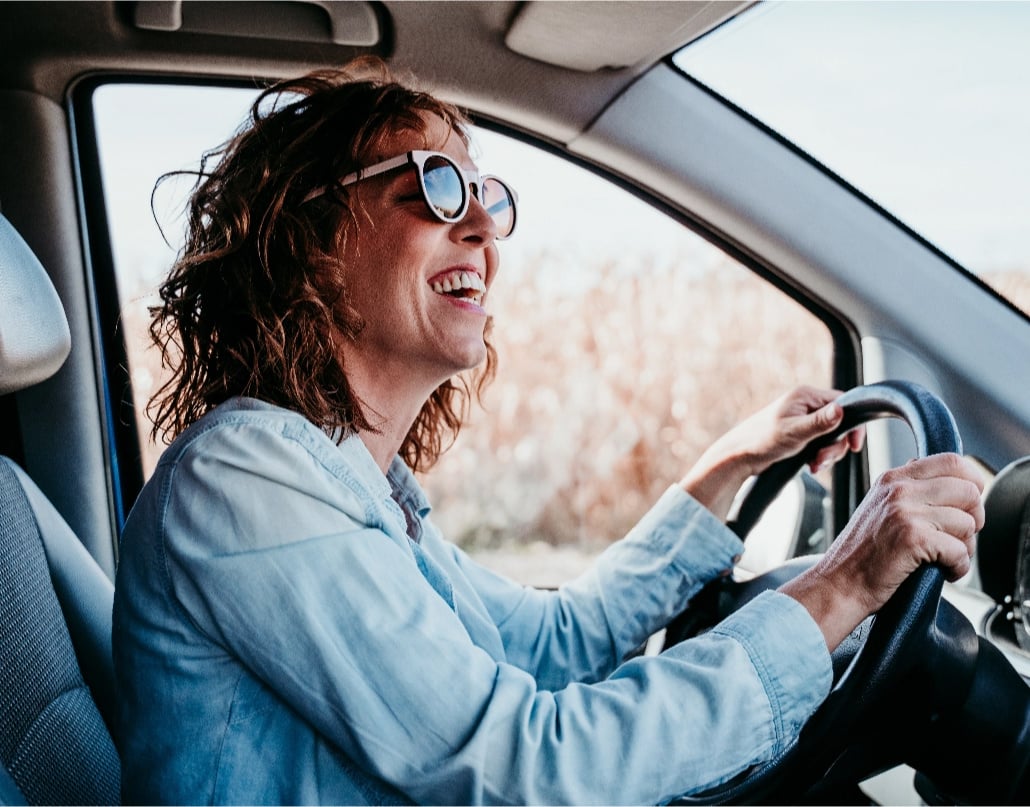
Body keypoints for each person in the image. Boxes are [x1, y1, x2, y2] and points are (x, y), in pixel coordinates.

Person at [112, 63, 984, 805]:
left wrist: (729, 465)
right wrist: (838, 585)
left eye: (485, 193)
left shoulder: (357, 485)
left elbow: (550, 643)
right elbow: (521, 764)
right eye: (433, 182)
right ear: (308, 239)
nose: (484, 226)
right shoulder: (242, 479)